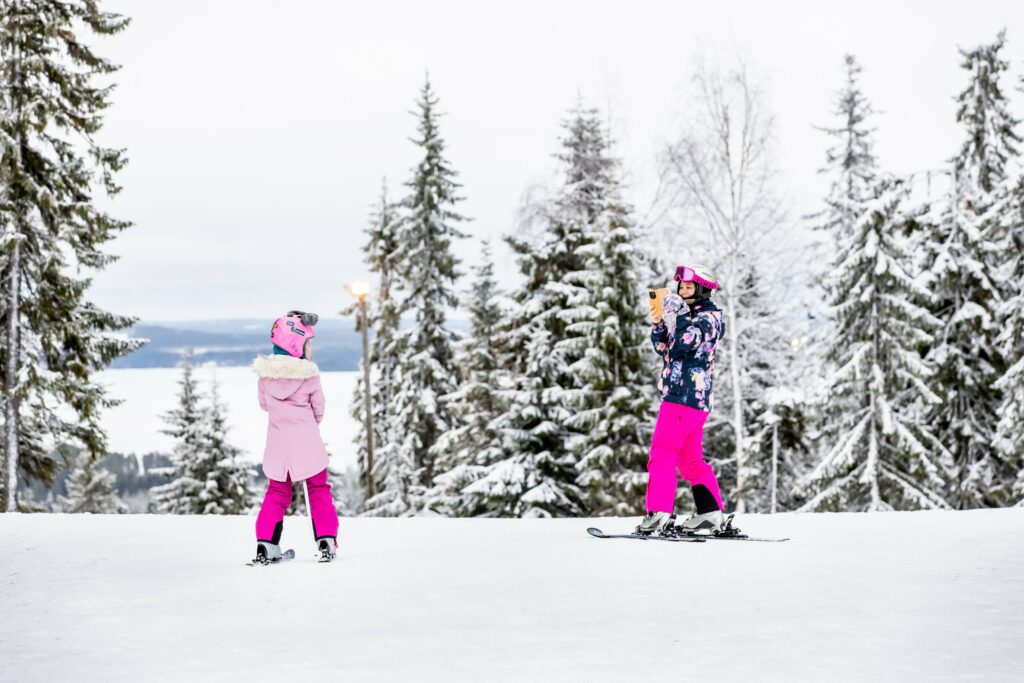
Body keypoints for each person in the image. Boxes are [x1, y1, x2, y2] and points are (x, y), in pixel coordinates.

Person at [637, 265, 728, 536]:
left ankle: (659, 514)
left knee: (661, 453)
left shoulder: (709, 317)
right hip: (687, 399)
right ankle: (710, 515)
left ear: (702, 290)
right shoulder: (687, 315)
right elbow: (667, 348)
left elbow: (689, 340)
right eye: (682, 287)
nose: (684, 291)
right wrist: (659, 323)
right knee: (690, 462)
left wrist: (678, 314)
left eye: (689, 288)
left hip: (684, 396)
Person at [251, 310, 339, 563]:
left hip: (278, 446)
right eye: (307, 344)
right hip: (307, 444)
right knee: (318, 489)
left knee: (277, 492)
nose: (310, 349)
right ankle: (325, 541)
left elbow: (264, 405)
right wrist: (306, 424)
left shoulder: (264, 377)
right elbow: (318, 410)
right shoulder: (309, 376)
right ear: (295, 345)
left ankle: (266, 545)